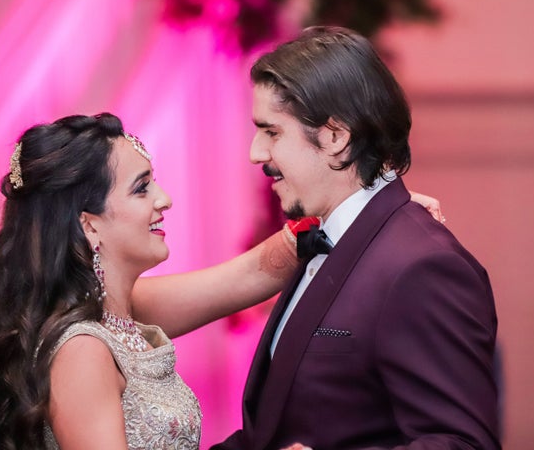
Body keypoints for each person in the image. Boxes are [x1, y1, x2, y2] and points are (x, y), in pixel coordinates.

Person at [0, 112, 442, 449]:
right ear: (89, 223)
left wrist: (363, 215)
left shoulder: (119, 314)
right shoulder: (84, 347)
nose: (164, 200)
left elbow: (253, 271)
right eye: (143, 188)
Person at [208, 26, 500, 450]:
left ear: (335, 137)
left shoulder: (422, 266)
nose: (256, 153)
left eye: (272, 132)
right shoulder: (327, 240)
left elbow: (463, 443)